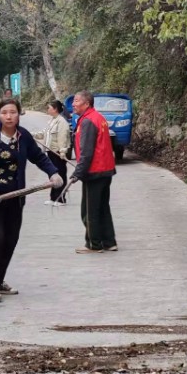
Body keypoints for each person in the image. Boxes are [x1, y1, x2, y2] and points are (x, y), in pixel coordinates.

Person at [0, 98, 63, 302]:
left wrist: (53, 173)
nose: (9, 116)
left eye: (13, 112)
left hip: (16, 197)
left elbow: (38, 157)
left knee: (11, 239)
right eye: (4, 112)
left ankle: (0, 280)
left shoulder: (24, 137)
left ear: (18, 114)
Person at [70, 90, 117, 253]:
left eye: (76, 101)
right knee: (103, 207)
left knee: (89, 211)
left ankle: (94, 244)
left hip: (95, 172)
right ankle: (109, 242)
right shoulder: (98, 118)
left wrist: (78, 173)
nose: (73, 104)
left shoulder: (88, 121)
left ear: (86, 103)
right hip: (106, 170)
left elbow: (87, 152)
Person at [34, 99, 70, 205]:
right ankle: (53, 197)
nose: (47, 109)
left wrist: (62, 152)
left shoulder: (62, 122)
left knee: (61, 175)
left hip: (58, 153)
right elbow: (44, 134)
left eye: (49, 107)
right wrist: (32, 134)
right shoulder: (52, 120)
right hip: (51, 152)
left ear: (55, 109)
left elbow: (62, 138)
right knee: (53, 175)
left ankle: (61, 198)